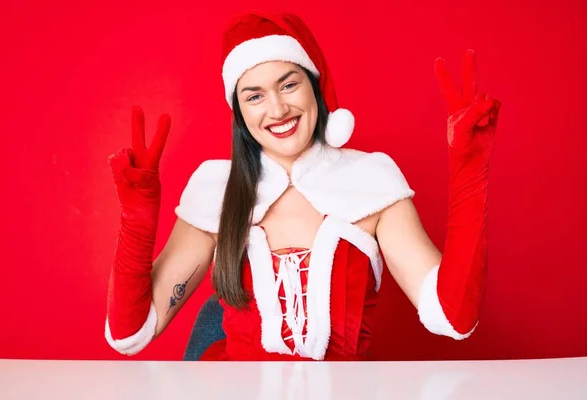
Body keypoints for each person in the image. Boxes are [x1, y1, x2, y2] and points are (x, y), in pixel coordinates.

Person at [104, 12, 501, 360]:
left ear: (316, 85)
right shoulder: (217, 191)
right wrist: (137, 219)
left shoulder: (372, 183)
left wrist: (470, 169)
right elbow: (131, 334)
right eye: (254, 95)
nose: (277, 110)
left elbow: (454, 318)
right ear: (239, 112)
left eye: (289, 85)